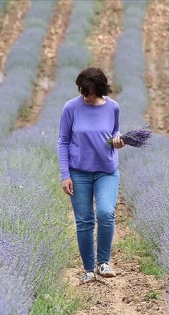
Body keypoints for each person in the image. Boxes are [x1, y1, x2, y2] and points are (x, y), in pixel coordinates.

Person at [57, 67, 125, 284]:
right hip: (78, 173)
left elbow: (115, 131)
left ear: (101, 90)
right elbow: (63, 141)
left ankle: (103, 263)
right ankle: (88, 270)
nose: (85, 96)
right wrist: (65, 174)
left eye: (90, 93)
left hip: (106, 171)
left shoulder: (113, 107)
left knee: (105, 213)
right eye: (83, 92)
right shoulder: (71, 108)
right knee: (84, 220)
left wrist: (118, 140)